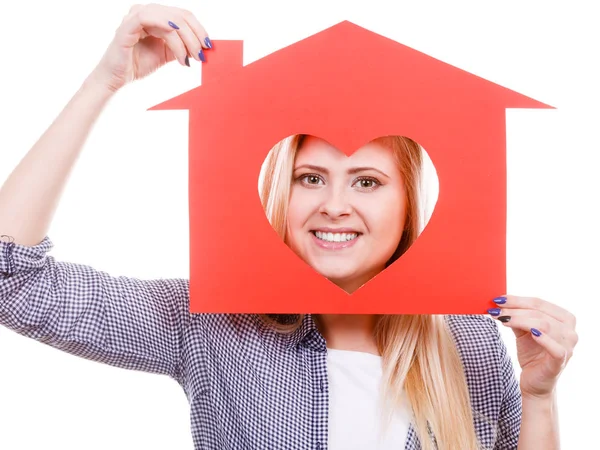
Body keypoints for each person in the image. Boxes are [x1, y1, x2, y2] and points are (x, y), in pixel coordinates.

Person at [0, 3, 578, 450]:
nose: (334, 204)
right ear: (282, 191)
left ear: (408, 208)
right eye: (310, 177)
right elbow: (13, 282)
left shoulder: (470, 344)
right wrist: (105, 81)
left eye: (367, 182)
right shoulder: (209, 325)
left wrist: (540, 397)